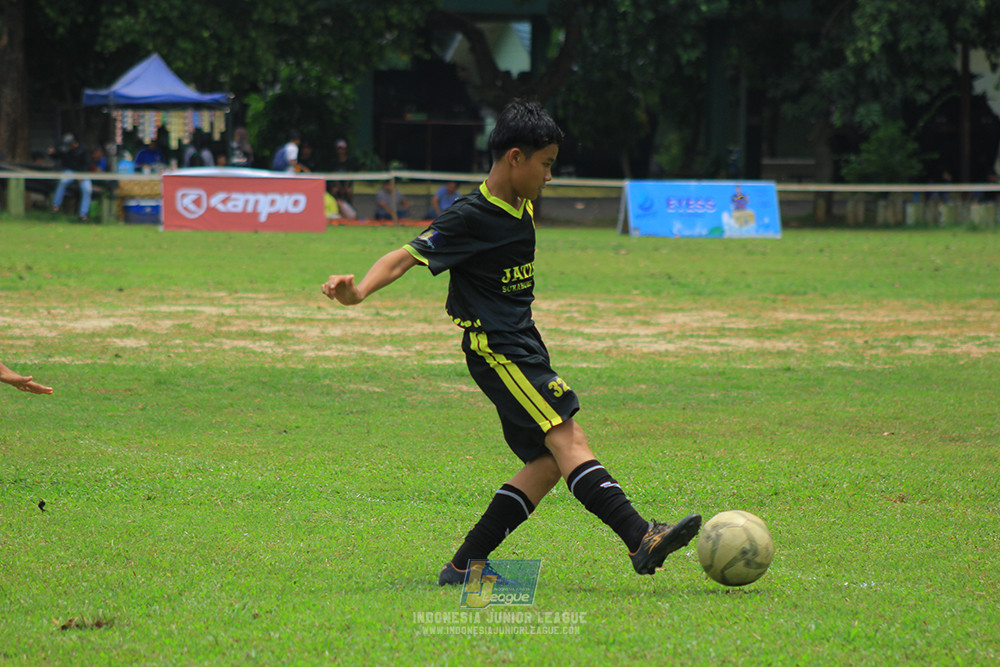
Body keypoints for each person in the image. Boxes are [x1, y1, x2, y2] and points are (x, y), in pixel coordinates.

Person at [320, 99, 700, 585]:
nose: (549, 176)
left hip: (524, 344)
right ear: (515, 158)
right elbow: (405, 255)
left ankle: (463, 565)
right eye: (545, 164)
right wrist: (357, 293)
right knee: (569, 437)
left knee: (545, 464)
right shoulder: (470, 216)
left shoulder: (520, 204)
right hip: (496, 349)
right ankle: (640, 535)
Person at [50, 134, 93, 222]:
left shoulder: (84, 150)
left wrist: (81, 175)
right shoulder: (66, 150)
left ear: (74, 143)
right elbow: (57, 155)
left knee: (87, 189)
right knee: (62, 181)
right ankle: (56, 205)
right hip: (71, 171)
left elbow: (88, 164)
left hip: (83, 173)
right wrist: (51, 153)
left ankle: (83, 215)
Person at [331, 139, 358, 205]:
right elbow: (334, 176)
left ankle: (349, 206)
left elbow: (350, 174)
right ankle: (335, 205)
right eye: (339, 149)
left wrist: (345, 187)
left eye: (343, 149)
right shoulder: (334, 162)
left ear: (346, 149)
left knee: (348, 191)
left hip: (347, 183)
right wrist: (340, 188)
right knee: (334, 190)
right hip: (337, 184)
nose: (341, 151)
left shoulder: (350, 161)